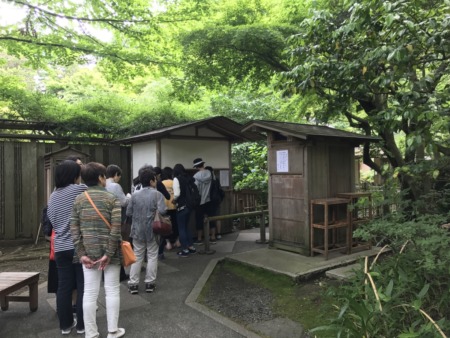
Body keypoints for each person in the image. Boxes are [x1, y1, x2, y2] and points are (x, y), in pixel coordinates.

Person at [70, 162, 125, 338]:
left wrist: (81, 254)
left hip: (88, 252)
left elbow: (74, 229)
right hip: (111, 253)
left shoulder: (78, 200)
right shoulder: (112, 199)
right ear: (101, 178)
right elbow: (116, 229)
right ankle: (112, 331)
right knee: (112, 290)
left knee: (89, 292)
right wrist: (108, 254)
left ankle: (91, 333)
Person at [47, 160, 87, 335]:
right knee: (82, 284)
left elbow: (52, 220)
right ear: (74, 176)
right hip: (78, 246)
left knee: (63, 287)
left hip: (60, 247)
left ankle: (65, 325)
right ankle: (82, 325)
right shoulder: (79, 189)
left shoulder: (53, 195)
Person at [126, 167, 166, 294]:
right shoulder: (157, 194)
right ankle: (150, 283)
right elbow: (163, 211)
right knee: (152, 256)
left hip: (137, 230)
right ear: (151, 181)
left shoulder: (134, 195)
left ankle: (133, 284)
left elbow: (128, 212)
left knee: (137, 256)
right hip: (153, 230)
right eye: (155, 179)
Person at [105, 164, 131, 281]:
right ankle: (120, 274)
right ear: (116, 175)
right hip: (115, 219)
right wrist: (129, 196)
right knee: (117, 245)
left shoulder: (102, 184)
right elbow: (123, 202)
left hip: (104, 219)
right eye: (119, 177)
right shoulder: (115, 186)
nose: (118, 179)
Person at [173, 163, 197, 257]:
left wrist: (174, 200)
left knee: (181, 228)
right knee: (187, 227)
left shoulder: (176, 179)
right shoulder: (188, 178)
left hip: (181, 207)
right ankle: (191, 247)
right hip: (189, 206)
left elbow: (177, 194)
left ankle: (184, 249)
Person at [192, 158, 215, 244]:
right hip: (209, 200)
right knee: (212, 218)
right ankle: (212, 237)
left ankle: (199, 239)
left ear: (196, 167)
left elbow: (195, 189)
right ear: (203, 164)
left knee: (199, 219)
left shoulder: (195, 176)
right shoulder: (210, 173)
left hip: (200, 201)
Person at [158, 166, 179, 259]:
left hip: (165, 208)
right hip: (174, 206)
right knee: (175, 224)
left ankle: (168, 243)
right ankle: (178, 241)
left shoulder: (161, 183)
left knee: (165, 226)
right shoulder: (173, 182)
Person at [205, 166, 225, 239]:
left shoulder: (206, 180)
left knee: (210, 218)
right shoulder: (216, 179)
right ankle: (218, 234)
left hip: (209, 202)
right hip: (217, 201)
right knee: (218, 217)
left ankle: (211, 235)